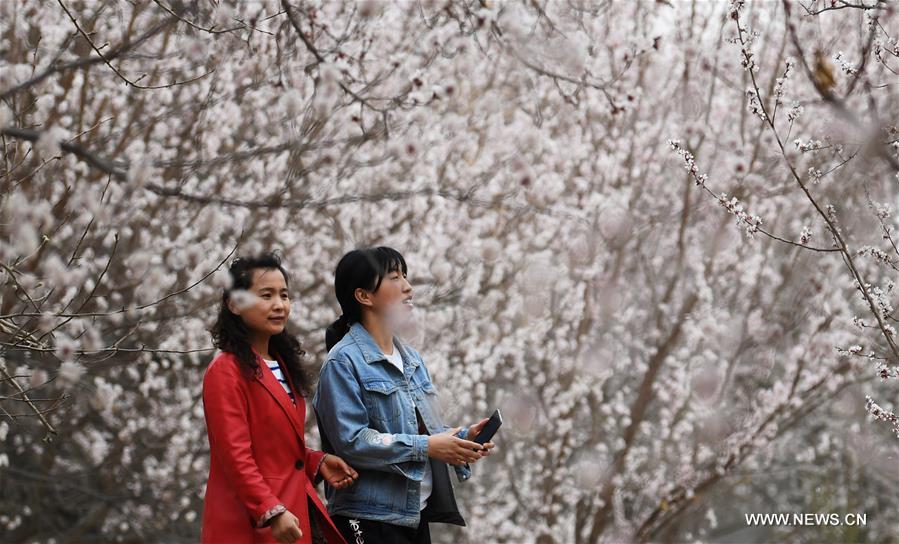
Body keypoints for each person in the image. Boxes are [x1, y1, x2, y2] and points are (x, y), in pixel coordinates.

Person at [314, 246, 496, 544]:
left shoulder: (410, 359)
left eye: (406, 276)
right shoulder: (342, 362)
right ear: (364, 296)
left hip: (414, 515)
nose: (408, 287)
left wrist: (462, 439)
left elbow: (423, 432)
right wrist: (428, 446)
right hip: (369, 519)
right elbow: (353, 441)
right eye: (394, 277)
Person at [202, 252, 358, 544]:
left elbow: (274, 447)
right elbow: (235, 456)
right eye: (266, 295)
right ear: (234, 304)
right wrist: (270, 511)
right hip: (251, 523)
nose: (279, 305)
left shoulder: (281, 364)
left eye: (284, 295)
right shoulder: (225, 370)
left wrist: (315, 461)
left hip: (293, 510)